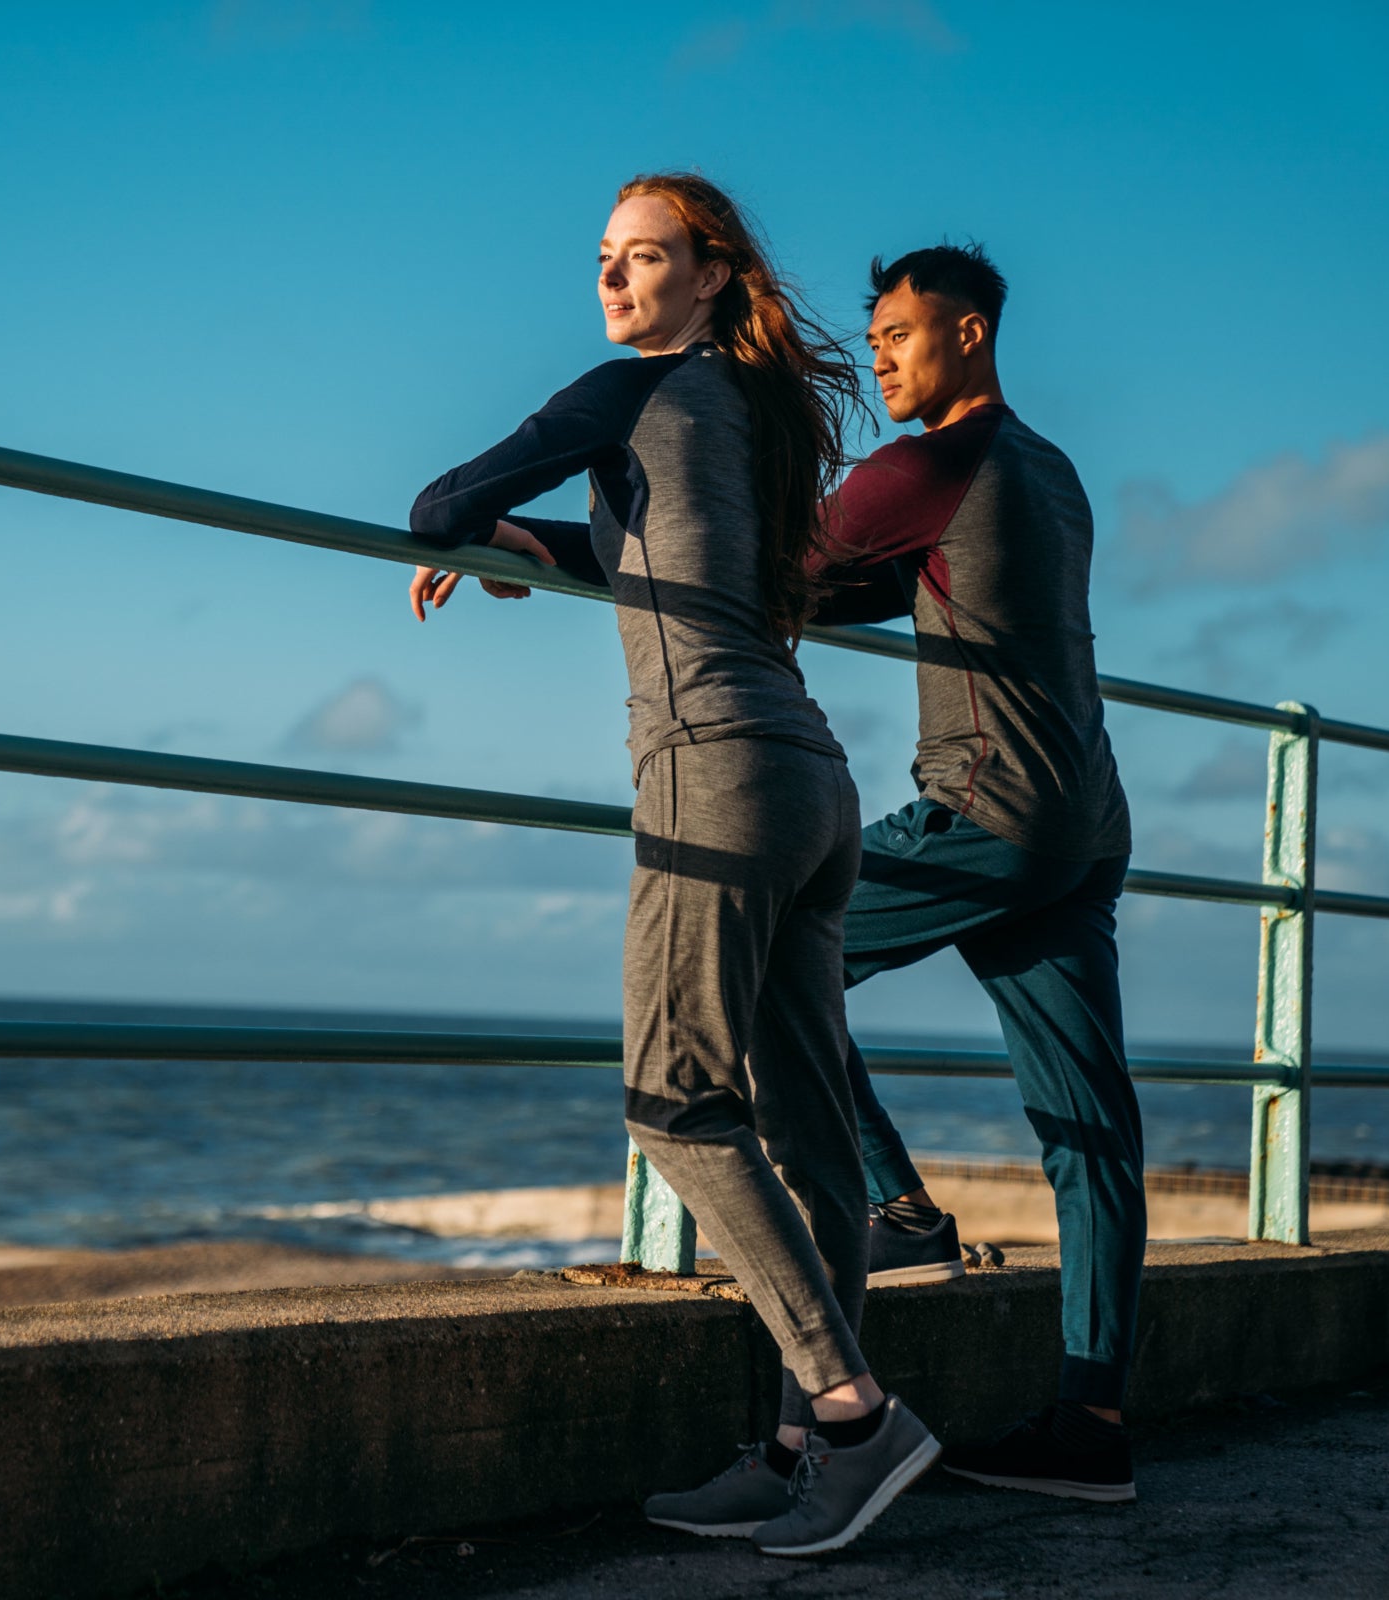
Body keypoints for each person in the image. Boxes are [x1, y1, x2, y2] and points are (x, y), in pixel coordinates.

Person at [404, 172, 937, 1558]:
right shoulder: (760, 419)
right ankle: (789, 1452)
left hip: (711, 773)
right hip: (813, 783)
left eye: (644, 259)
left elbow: (434, 501)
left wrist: (482, 522)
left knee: (675, 1106)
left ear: (710, 273)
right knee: (816, 1140)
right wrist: (555, 545)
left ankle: (855, 1416)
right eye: (602, 260)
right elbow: (686, 565)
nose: (615, 282)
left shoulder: (624, 391)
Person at [813, 243, 1146, 1503]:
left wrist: (552, 545)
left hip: (988, 814)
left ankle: (897, 1210)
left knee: (771, 956)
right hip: (1082, 823)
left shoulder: (930, 462)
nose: (881, 357)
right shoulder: (1049, 472)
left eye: (899, 333)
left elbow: (762, 571)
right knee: (1090, 1131)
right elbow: (883, 589)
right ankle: (1091, 1423)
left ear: (969, 334)